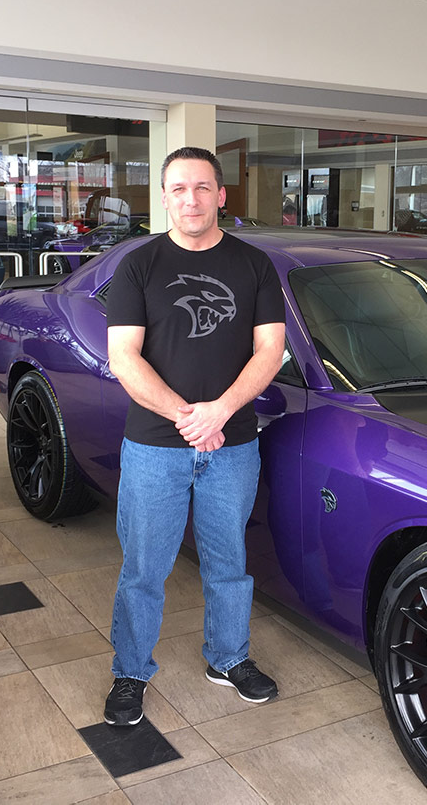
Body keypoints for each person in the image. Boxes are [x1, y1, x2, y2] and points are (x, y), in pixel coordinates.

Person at [103, 146, 286, 725]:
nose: (191, 199)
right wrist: (189, 415)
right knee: (144, 568)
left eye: (202, 188)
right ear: (164, 196)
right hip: (156, 446)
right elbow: (124, 357)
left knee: (229, 562)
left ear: (221, 195)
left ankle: (229, 658)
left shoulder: (255, 265)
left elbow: (270, 350)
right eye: (179, 188)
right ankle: (131, 672)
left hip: (232, 447)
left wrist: (221, 413)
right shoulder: (138, 265)